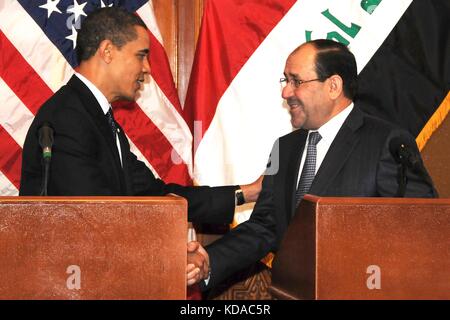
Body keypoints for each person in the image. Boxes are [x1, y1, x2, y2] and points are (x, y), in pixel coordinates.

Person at [18, 7, 261, 285]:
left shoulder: (95, 117)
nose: (147, 68)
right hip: (72, 283)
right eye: (141, 55)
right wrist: (169, 256)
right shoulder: (67, 119)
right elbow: (93, 218)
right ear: (108, 51)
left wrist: (247, 193)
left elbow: (154, 195)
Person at [199, 39, 438, 289]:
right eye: (285, 80)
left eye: (296, 81)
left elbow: (424, 228)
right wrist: (208, 260)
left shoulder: (386, 142)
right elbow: (265, 225)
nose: (285, 92)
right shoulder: (283, 148)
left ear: (333, 86)